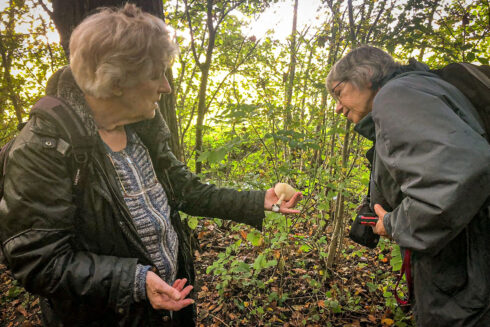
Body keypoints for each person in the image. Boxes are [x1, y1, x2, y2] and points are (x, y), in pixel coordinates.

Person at [0, 4, 301, 326]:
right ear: (116, 82)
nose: (166, 87)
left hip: (170, 302)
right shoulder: (42, 150)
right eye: (156, 74)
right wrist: (134, 280)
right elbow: (38, 262)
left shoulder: (141, 128)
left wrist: (257, 200)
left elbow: (185, 190)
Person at [326, 45, 490, 326]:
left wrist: (393, 224)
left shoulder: (397, 96)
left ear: (365, 76)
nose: (338, 107)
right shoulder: (418, 90)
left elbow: (454, 177)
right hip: (462, 262)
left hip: (464, 273)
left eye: (338, 92)